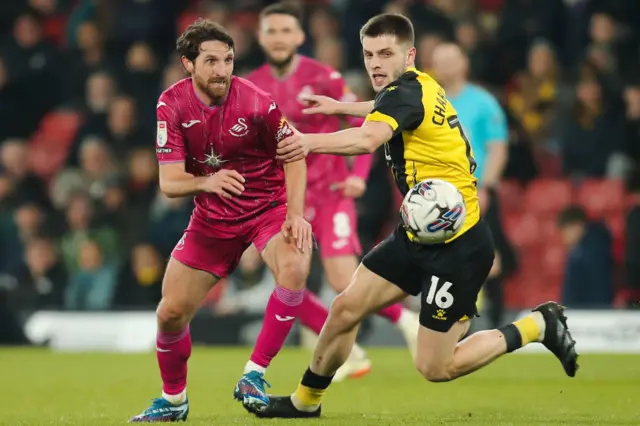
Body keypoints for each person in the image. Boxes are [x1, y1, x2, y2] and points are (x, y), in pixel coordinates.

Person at [245, 13, 579, 419]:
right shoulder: (419, 85)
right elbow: (385, 104)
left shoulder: (406, 92)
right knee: (345, 308)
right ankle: (305, 402)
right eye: (369, 54)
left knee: (435, 367)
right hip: (416, 233)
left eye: (386, 53)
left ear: (410, 55)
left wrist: (305, 141)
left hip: (459, 245)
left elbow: (368, 139)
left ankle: (537, 326)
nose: (375, 64)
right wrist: (340, 106)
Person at [129, 19, 315, 422]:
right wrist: (208, 181)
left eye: (228, 60)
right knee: (170, 313)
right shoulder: (171, 104)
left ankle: (254, 374)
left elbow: (295, 155)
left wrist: (296, 216)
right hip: (213, 218)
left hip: (268, 207)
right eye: (211, 60)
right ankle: (174, 401)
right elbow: (170, 182)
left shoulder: (256, 102)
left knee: (296, 263)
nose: (222, 70)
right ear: (187, 64)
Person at [245, 2, 419, 381]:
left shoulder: (322, 76)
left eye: (285, 31)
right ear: (260, 38)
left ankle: (404, 320)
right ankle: (350, 350)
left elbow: (369, 120)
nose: (278, 39)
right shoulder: (251, 85)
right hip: (287, 199)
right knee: (287, 281)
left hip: (331, 192)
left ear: (299, 37)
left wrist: (358, 174)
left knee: (342, 278)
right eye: (271, 31)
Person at [431, 42, 517, 327]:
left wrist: (487, 186)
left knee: (488, 256)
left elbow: (498, 149)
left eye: (450, 59)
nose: (444, 66)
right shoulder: (431, 101)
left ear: (464, 63)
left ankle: (496, 321)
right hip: (440, 194)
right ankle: (454, 323)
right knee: (447, 259)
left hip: (474, 190)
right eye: (439, 60)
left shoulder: (483, 102)